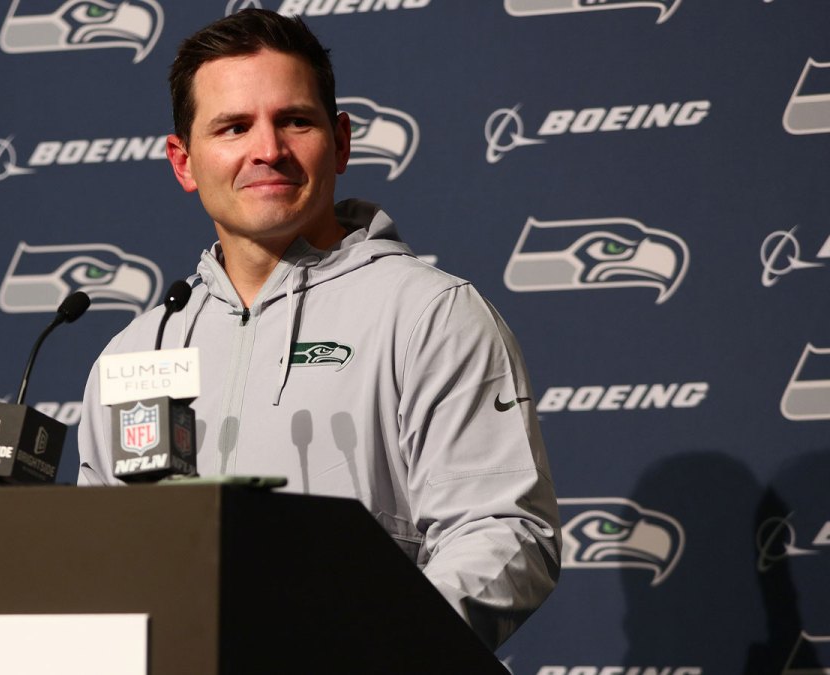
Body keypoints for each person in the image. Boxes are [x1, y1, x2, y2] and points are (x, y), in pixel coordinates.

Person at [77, 8, 559, 649]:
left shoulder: (428, 315)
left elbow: (504, 536)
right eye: (233, 127)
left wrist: (366, 653)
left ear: (340, 141)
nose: (267, 150)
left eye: (294, 121)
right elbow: (101, 568)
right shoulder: (136, 350)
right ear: (183, 161)